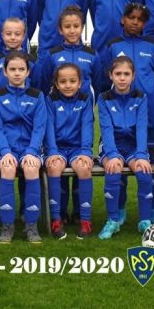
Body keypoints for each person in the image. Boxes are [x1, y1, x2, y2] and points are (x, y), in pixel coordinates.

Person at [104, 3, 154, 224]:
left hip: (148, 115)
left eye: (140, 19)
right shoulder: (113, 45)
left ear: (145, 23)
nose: (135, 22)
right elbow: (105, 77)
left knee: (150, 161)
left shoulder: (153, 46)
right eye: (131, 18)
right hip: (121, 118)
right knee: (118, 162)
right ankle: (119, 209)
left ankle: (153, 208)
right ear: (123, 19)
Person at [0, 51, 47, 243]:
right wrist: (5, 152)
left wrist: (32, 151)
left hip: (30, 148)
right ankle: (7, 225)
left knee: (31, 168)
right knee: (7, 168)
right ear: (5, 72)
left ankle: (31, 225)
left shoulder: (37, 96)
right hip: (6, 148)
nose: (17, 73)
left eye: (21, 69)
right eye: (12, 69)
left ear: (28, 72)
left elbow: (39, 128)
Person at [97, 56, 153, 240]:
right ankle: (113, 220)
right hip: (111, 145)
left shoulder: (141, 97)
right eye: (118, 74)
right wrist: (112, 155)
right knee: (113, 170)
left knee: (144, 171)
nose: (122, 78)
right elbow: (106, 129)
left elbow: (142, 127)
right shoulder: (104, 98)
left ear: (133, 76)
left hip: (134, 146)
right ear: (111, 75)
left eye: (126, 74)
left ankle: (145, 222)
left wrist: (142, 154)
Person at [44, 63, 94, 240]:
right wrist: (52, 151)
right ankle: (56, 219)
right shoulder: (50, 100)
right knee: (54, 167)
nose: (68, 85)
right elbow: (48, 127)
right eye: (63, 81)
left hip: (77, 149)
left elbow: (87, 126)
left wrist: (85, 152)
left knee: (84, 168)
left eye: (72, 81)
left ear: (80, 83)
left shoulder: (85, 100)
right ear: (56, 84)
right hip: (56, 148)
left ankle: (85, 220)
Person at [36, 5, 102, 98]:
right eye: (67, 27)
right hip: (58, 106)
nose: (72, 31)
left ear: (82, 28)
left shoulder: (92, 55)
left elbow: (97, 85)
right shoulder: (52, 55)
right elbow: (45, 84)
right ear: (60, 30)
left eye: (76, 26)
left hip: (85, 106)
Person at [0, 17, 37, 93]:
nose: (13, 37)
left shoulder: (31, 62)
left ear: (24, 36)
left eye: (17, 34)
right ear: (2, 35)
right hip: (1, 100)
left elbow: (35, 85)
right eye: (8, 34)